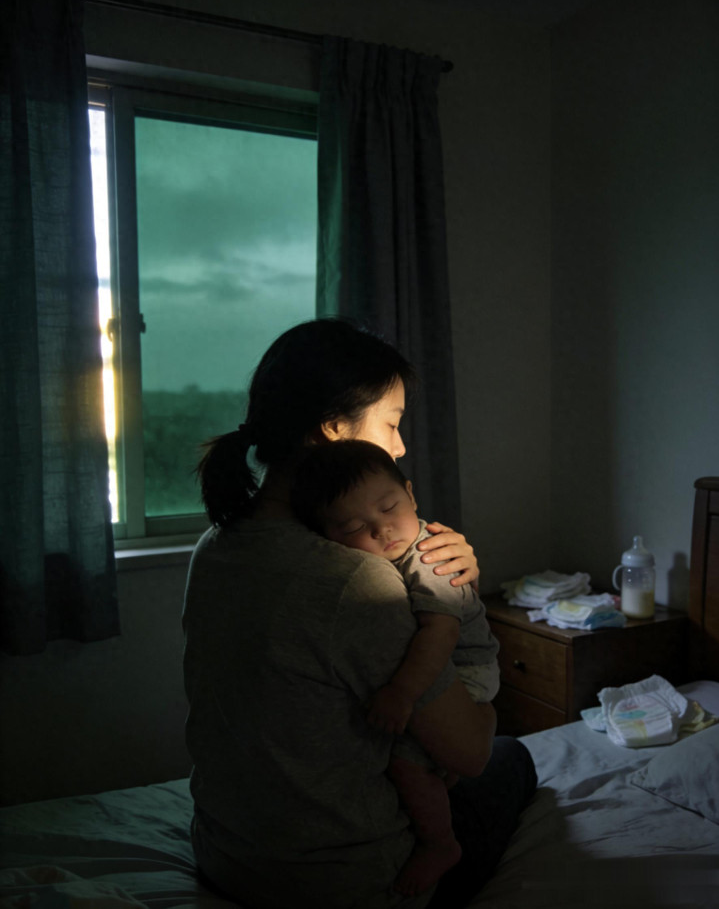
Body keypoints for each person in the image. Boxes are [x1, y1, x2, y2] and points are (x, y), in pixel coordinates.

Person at [183, 318, 537, 909]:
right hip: (343, 881)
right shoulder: (355, 582)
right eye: (391, 424)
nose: (400, 447)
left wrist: (446, 580)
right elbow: (468, 753)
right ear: (333, 429)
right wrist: (457, 603)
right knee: (507, 757)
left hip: (227, 856)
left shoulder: (217, 545)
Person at [291, 438, 500, 896]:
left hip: (468, 665)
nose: (383, 530)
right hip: (448, 660)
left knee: (405, 763)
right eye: (355, 527)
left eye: (389, 508)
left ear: (410, 494)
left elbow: (440, 634)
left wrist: (402, 694)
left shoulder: (430, 558)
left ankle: (441, 844)